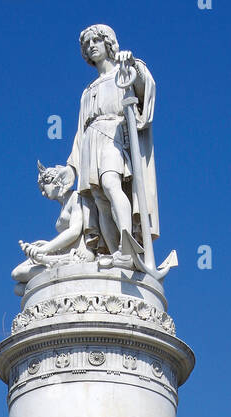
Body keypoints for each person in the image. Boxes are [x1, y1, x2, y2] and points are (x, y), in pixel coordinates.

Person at [68, 23, 158, 264]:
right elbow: (80, 131)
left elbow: (143, 89)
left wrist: (131, 65)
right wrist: (71, 167)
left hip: (113, 133)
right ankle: (113, 251)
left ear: (108, 43)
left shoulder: (123, 73)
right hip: (90, 140)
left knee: (110, 183)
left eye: (95, 41)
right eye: (87, 45)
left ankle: (127, 244)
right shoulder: (87, 91)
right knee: (98, 198)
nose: (91, 47)